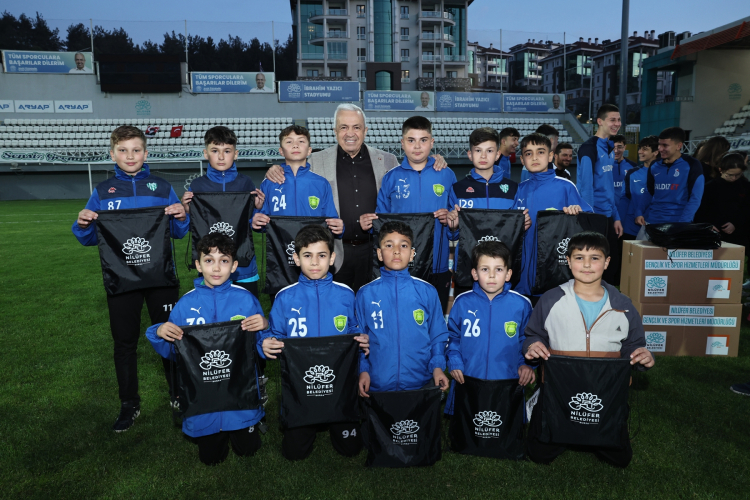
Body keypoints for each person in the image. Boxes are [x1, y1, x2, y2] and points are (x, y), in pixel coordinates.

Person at [72, 125, 189, 432]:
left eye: (136, 150)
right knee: (124, 343)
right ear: (113, 154)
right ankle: (129, 404)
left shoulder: (162, 187)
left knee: (172, 335)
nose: (130, 155)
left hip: (160, 277)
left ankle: (179, 395)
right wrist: (83, 223)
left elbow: (178, 232)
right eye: (123, 150)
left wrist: (181, 216)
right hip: (121, 279)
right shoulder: (102, 192)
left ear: (146, 153)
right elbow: (89, 238)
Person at [264, 103, 448, 292]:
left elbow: (413, 169)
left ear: (365, 130)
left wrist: (435, 159)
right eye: (344, 127)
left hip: (374, 251)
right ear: (335, 131)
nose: (350, 133)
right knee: (334, 306)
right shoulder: (316, 160)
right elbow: (294, 172)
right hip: (334, 250)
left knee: (372, 303)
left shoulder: (387, 160)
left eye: (356, 127)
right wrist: (275, 169)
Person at [523, 231, 655, 468]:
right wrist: (533, 345)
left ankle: (596, 435)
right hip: (559, 388)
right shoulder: (551, 300)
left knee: (620, 459)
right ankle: (551, 418)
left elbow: (634, 345)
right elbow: (534, 334)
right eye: (579, 257)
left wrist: (642, 356)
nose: (586, 264)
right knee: (539, 454)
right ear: (568, 261)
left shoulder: (623, 305)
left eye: (594, 258)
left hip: (605, 390)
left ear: (607, 262)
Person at [145, 234, 268, 465]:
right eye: (209, 260)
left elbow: (261, 344)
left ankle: (246, 425)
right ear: (198, 265)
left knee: (248, 450)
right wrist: (159, 331)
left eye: (224, 261)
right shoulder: (185, 305)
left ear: (234, 266)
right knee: (211, 459)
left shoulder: (246, 300)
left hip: (238, 392)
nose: (216, 268)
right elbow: (174, 352)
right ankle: (211, 430)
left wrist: (265, 327)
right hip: (203, 397)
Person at [259, 225, 369, 461]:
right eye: (307, 255)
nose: (315, 262)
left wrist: (362, 349)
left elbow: (356, 332)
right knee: (294, 453)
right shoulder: (285, 297)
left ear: (332, 258)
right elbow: (273, 333)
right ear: (296, 259)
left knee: (351, 449)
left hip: (339, 383)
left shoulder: (346, 294)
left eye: (322, 255)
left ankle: (338, 419)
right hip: (301, 385)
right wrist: (265, 343)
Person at [359, 116, 457, 310]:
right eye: (411, 140)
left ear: (432, 142)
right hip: (399, 265)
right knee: (400, 317)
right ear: (402, 143)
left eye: (423, 140)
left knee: (433, 318)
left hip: (436, 264)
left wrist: (451, 221)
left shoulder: (447, 175)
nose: (417, 146)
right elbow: (382, 225)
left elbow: (455, 225)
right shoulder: (391, 178)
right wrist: (369, 225)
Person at [356, 221, 450, 396]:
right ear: (379, 254)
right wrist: (363, 370)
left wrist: (437, 367)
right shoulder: (365, 293)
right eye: (389, 245)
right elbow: (359, 338)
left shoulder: (427, 291)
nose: (397, 251)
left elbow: (438, 334)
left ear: (412, 254)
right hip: (377, 384)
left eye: (404, 245)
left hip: (419, 382)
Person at [445, 241, 535, 417]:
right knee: (468, 426)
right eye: (485, 269)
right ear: (475, 273)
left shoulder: (521, 304)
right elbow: (452, 337)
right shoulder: (462, 302)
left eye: (498, 269)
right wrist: (454, 362)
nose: (492, 275)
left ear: (508, 274)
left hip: (507, 380)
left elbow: (527, 340)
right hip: (468, 378)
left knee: (503, 425)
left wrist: (525, 364)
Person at [182, 126, 265, 297]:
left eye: (227, 151)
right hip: (211, 267)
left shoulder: (246, 183)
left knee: (247, 310)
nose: (221, 157)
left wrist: (258, 208)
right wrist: (188, 210)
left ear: (235, 154)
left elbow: (250, 222)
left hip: (243, 266)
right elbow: (192, 225)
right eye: (215, 151)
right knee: (213, 311)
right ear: (206, 153)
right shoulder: (197, 185)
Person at [512, 133, 592, 301]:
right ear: (522, 160)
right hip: (523, 275)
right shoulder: (520, 189)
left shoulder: (565, 187)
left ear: (550, 156)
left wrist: (576, 212)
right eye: (528, 153)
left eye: (540, 152)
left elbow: (588, 221)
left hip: (553, 271)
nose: (534, 157)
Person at [252, 125, 343, 238]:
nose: (295, 145)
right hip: (281, 247)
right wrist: (256, 218)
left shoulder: (321, 183)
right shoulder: (269, 183)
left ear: (309, 150)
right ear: (281, 151)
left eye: (301, 141)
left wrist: (338, 227)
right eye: (289, 142)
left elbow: (331, 219)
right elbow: (261, 221)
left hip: (312, 245)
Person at [577, 104, 623, 285]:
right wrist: (589, 221)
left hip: (607, 216)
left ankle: (607, 299)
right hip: (594, 217)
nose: (617, 123)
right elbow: (586, 188)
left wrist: (616, 217)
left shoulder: (609, 148)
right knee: (596, 266)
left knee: (612, 264)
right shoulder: (589, 148)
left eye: (618, 120)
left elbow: (608, 187)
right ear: (600, 121)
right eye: (612, 120)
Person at [635, 127, 705, 226]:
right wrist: (639, 212)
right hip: (652, 221)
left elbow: (695, 198)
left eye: (665, 145)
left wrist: (683, 224)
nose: (660, 149)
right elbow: (649, 192)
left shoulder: (692, 164)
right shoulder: (654, 165)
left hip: (677, 223)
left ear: (679, 146)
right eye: (659, 144)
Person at [695, 151, 749, 247]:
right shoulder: (710, 187)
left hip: (740, 234)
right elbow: (700, 210)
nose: (734, 178)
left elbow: (746, 209)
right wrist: (708, 225)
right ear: (721, 170)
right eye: (730, 175)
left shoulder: (745, 186)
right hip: (714, 233)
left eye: (738, 174)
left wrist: (735, 223)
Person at [619, 135, 659, 239]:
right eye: (640, 148)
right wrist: (620, 222)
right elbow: (625, 198)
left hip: (654, 225)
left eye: (644, 149)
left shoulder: (663, 173)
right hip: (631, 226)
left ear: (655, 152)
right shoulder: (632, 173)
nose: (640, 152)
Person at [610, 134, 637, 282]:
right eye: (613, 147)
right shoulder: (603, 167)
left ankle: (622, 280)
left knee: (623, 250)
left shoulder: (633, 167)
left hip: (626, 217)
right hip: (608, 215)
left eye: (619, 147)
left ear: (625, 147)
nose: (616, 150)